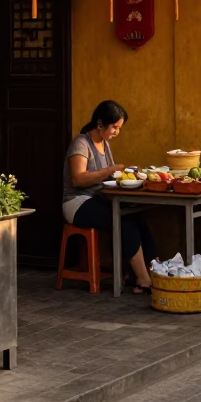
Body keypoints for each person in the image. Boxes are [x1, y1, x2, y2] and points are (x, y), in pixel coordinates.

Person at [62, 100, 157, 293]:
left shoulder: (104, 144)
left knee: (136, 216)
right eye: (114, 127)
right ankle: (143, 279)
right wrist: (108, 171)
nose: (117, 132)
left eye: (119, 128)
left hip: (98, 199)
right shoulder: (81, 143)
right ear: (100, 124)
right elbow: (78, 179)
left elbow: (110, 175)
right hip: (77, 203)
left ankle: (157, 270)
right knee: (122, 219)